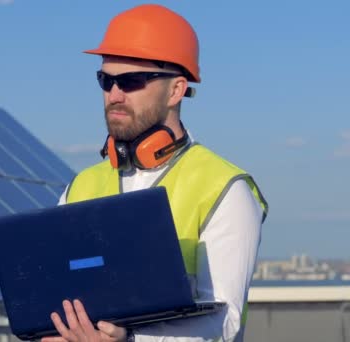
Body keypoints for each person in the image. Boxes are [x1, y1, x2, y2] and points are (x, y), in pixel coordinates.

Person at [42, 4, 268, 342]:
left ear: (176, 90)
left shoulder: (224, 188)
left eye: (131, 81)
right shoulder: (80, 186)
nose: (114, 95)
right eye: (106, 80)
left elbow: (223, 324)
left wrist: (129, 341)